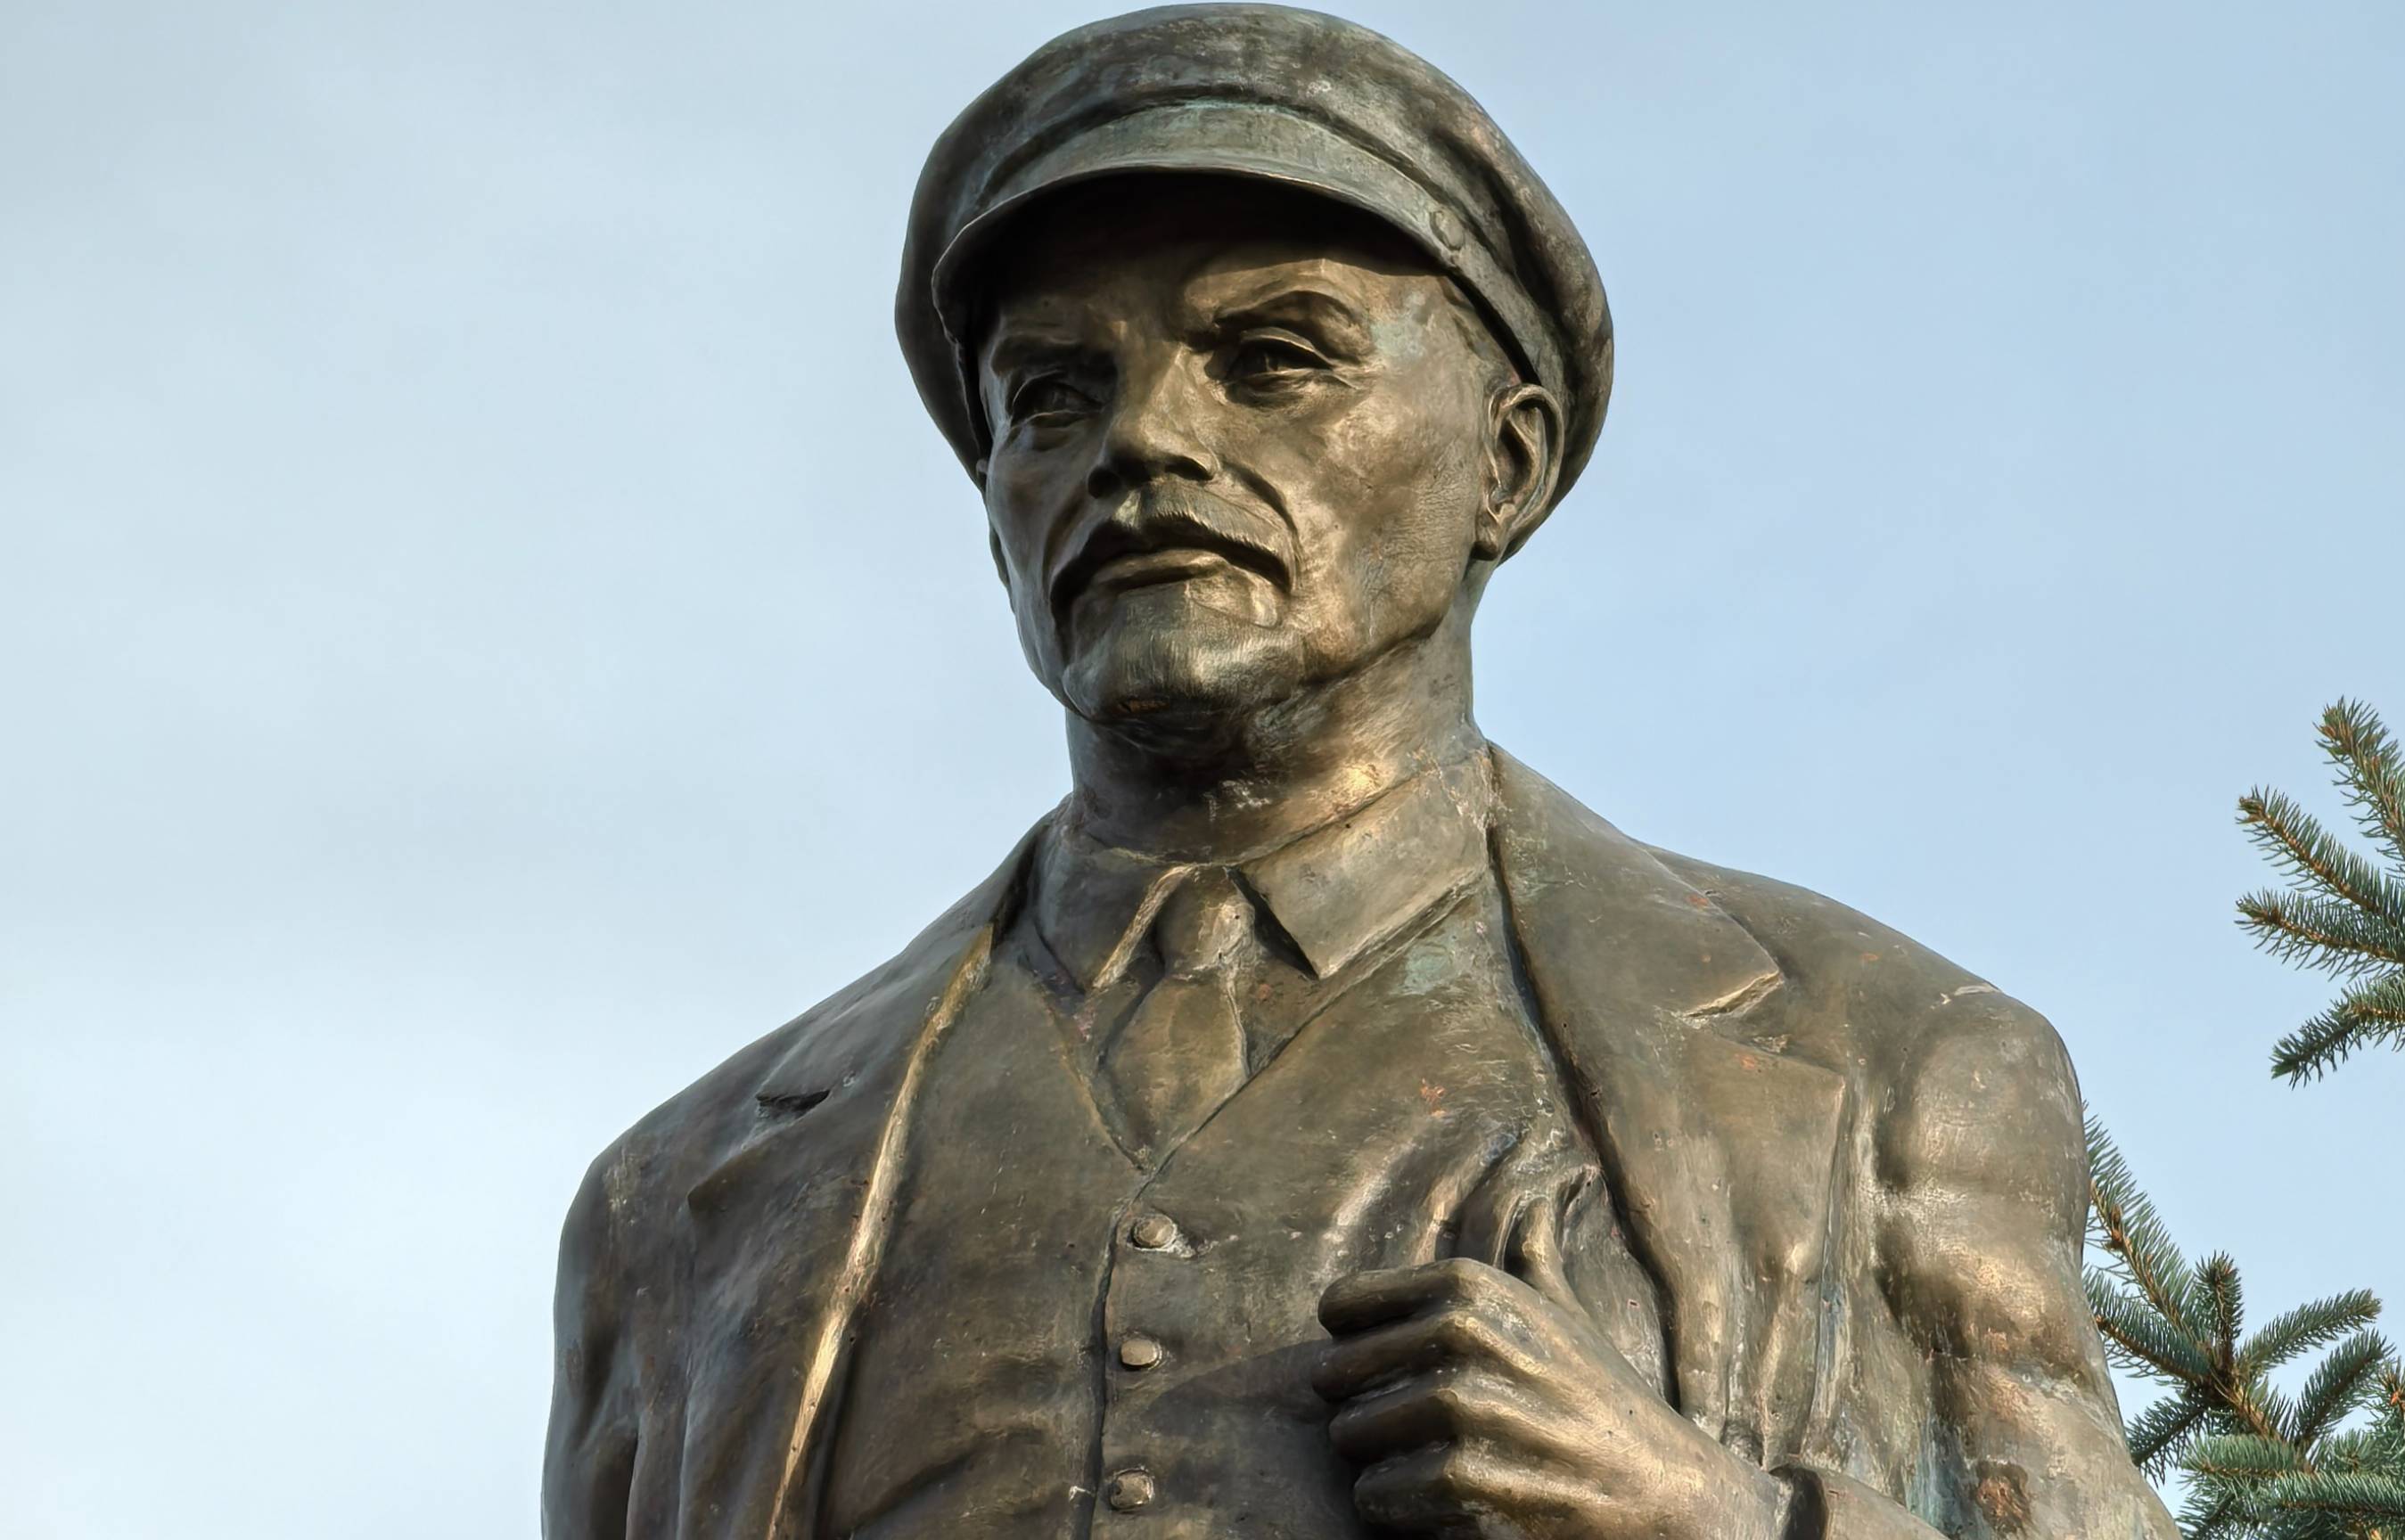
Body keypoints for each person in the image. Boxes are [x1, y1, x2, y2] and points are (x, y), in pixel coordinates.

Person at [542, 7, 2177, 1536]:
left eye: (1273, 358)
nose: (1141, 442)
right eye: (1049, 395)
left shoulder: (1888, 1059)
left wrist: (1723, 1522)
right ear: (995, 523)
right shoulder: (675, 1202)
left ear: (1504, 465)